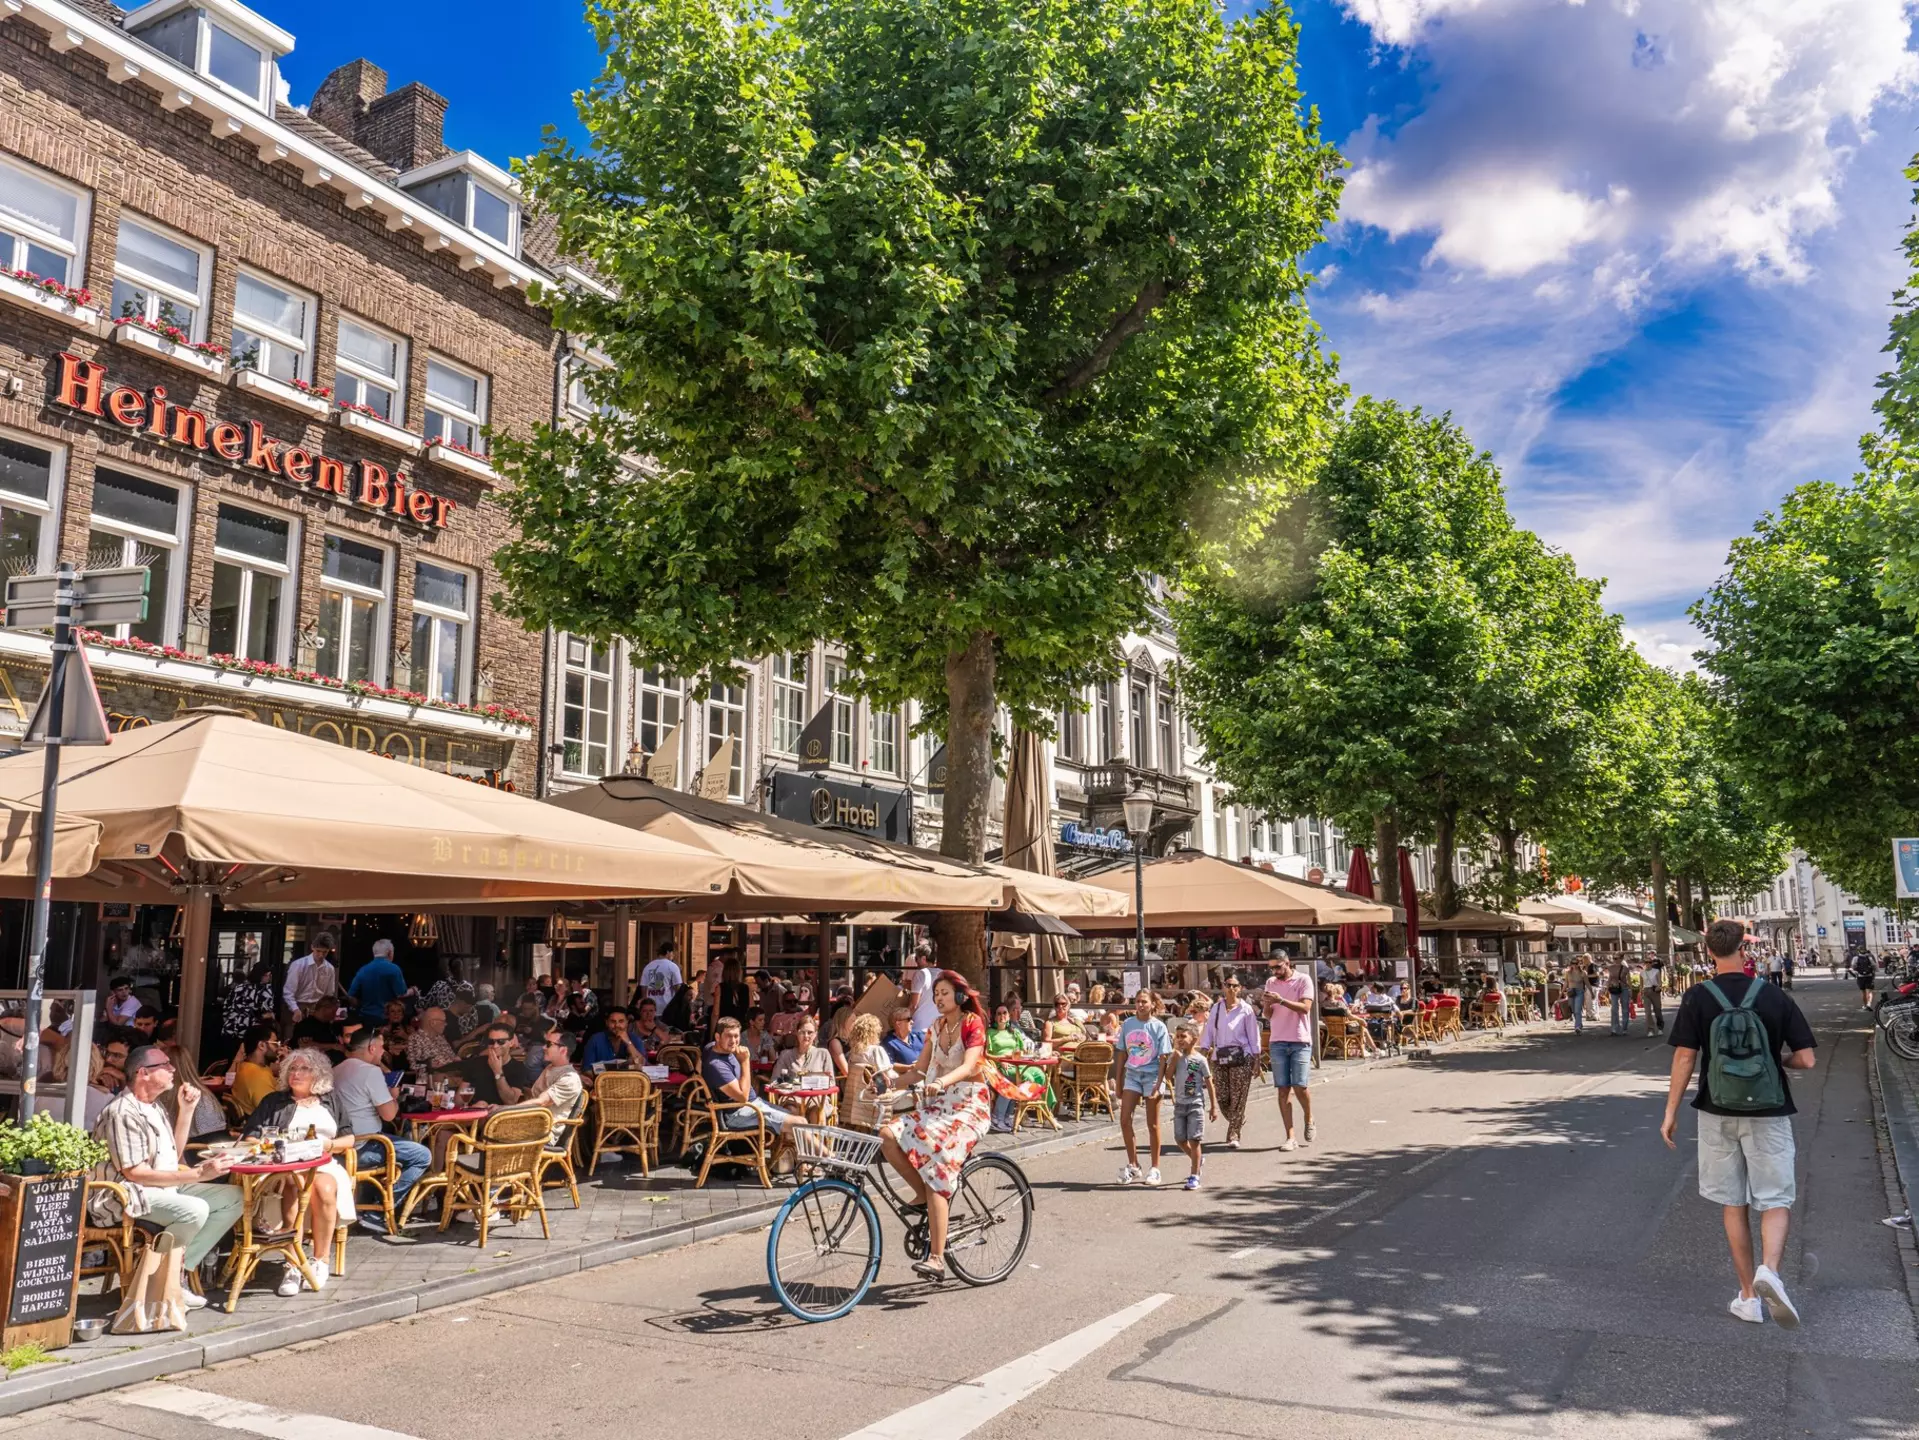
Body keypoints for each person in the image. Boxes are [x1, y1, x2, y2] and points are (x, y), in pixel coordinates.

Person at [1661, 918, 1818, 1329]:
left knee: (1734, 1201)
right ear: (1743, 951)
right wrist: (1774, 1060)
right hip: (1769, 1110)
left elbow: (1684, 1058)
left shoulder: (1697, 997)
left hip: (1717, 1110)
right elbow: (1806, 1059)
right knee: (1776, 1198)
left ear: (1708, 952)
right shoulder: (1771, 995)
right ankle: (1771, 1270)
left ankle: (1748, 1295)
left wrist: (1671, 1111)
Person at [89, 1046, 240, 1306]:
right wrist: (197, 1174)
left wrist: (187, 1110)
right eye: (165, 1065)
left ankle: (174, 1273)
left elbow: (173, 1156)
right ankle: (164, 1280)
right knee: (194, 1209)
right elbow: (135, 1173)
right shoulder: (122, 1112)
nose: (172, 1069)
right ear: (143, 1073)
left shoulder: (154, 1107)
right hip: (124, 1195)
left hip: (156, 1189)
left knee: (235, 1198)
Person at [878, 971, 992, 1281]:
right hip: (940, 1104)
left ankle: (937, 1258)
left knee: (937, 1165)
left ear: (958, 995)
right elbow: (917, 1071)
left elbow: (970, 1065)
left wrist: (941, 1080)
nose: (938, 998)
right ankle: (923, 1196)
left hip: (969, 1105)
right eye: (936, 993)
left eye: (944, 993)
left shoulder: (972, 1023)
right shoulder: (935, 1028)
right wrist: (889, 1083)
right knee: (888, 1134)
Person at [241, 1048, 359, 1294]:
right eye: (292, 1068)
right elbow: (250, 1137)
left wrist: (330, 1145)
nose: (296, 1073)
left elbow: (349, 1138)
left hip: (322, 1161)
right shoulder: (274, 1102)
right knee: (294, 1185)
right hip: (284, 1165)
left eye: (304, 1069)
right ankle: (293, 1263)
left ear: (318, 1074)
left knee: (325, 1188)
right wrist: (270, 1146)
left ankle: (320, 1260)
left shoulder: (331, 1100)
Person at [334, 1029, 430, 1241]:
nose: (383, 1051)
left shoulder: (336, 1069)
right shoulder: (370, 1072)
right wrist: (393, 1096)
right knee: (422, 1155)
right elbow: (389, 1115)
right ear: (371, 1048)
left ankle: (363, 1210)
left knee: (389, 1147)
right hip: (363, 1146)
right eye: (381, 1047)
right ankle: (377, 1211)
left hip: (341, 1148)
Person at [702, 1016, 792, 1138]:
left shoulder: (710, 1047)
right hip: (739, 1113)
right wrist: (745, 1061)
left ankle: (791, 1156)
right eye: (729, 1036)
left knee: (795, 1118)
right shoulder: (717, 1065)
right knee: (798, 1123)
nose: (733, 1041)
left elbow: (698, 1063)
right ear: (717, 1037)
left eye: (736, 1036)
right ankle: (822, 1157)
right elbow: (743, 1098)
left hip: (752, 1106)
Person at [1116, 989, 1171, 1186]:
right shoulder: (1128, 1024)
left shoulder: (1158, 1027)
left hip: (1152, 1075)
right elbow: (1122, 1053)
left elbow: (1164, 1057)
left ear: (1152, 1005)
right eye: (1138, 1001)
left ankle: (1155, 1168)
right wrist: (1118, 1080)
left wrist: (1159, 1082)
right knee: (1124, 1119)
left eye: (1144, 1002)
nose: (1141, 1005)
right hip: (1132, 1074)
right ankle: (1133, 1164)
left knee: (1152, 1123)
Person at [1199, 974, 1259, 1148]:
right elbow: (1209, 1031)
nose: (1231, 989)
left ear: (1240, 988)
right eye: (1228, 985)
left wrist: (1256, 1059)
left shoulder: (1246, 1010)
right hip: (1221, 1055)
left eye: (1235, 986)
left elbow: (1253, 1036)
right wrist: (1203, 1050)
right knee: (1222, 1096)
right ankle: (1237, 1117)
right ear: (1224, 987)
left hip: (1242, 1055)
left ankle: (1233, 1133)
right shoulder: (1216, 1008)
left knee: (1238, 1095)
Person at [1264, 955, 1315, 1151]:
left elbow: (1305, 1008)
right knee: (1283, 1088)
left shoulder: (1303, 980)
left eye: (1278, 967)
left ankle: (1309, 1117)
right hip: (1277, 1039)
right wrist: (1267, 1004)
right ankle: (1290, 1136)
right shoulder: (1271, 982)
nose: (1275, 971)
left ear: (1287, 962)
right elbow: (1268, 1014)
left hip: (1299, 1040)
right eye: (1272, 968)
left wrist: (1282, 1000)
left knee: (1300, 1086)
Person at [1168, 1022, 1216, 1191]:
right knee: (1179, 1139)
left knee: (1194, 1140)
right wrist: (1173, 1060)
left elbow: (1209, 1083)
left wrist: (1213, 1106)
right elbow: (1168, 1076)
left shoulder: (1199, 1060)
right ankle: (1197, 1159)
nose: (1180, 1039)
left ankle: (1194, 1175)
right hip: (1180, 1105)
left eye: (1183, 1036)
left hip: (1195, 1104)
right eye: (1177, 1036)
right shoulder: (1176, 1057)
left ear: (1194, 1039)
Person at [521, 1028, 585, 1148]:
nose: (544, 1047)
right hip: (531, 1124)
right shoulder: (551, 1067)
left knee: (497, 1127)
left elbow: (541, 1102)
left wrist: (505, 1109)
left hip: (543, 1134)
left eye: (549, 1044)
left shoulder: (569, 1079)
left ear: (563, 1050)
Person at [459, 1024, 535, 1106]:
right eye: (491, 1042)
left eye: (501, 1042)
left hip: (500, 1116)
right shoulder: (476, 1063)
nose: (495, 1046)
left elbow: (511, 1101)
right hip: (475, 1112)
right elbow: (459, 1101)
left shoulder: (518, 1068)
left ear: (511, 1043)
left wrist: (498, 1072)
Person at [283, 932, 340, 1026]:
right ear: (312, 947)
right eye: (318, 951)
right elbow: (288, 992)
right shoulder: (298, 965)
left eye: (324, 952)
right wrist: (295, 1009)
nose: (321, 955)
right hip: (298, 1006)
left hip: (318, 1008)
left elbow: (329, 993)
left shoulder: (329, 968)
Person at [226, 1023, 282, 1119]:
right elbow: (271, 1113)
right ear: (261, 1045)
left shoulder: (246, 1066)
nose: (279, 1048)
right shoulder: (256, 1075)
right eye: (276, 1044)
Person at [346, 940, 408, 1025]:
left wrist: (360, 1006)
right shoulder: (394, 969)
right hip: (387, 1019)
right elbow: (401, 994)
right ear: (390, 953)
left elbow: (350, 996)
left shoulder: (363, 970)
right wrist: (412, 991)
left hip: (366, 1018)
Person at [218, 961, 277, 1049]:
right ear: (260, 975)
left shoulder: (239, 987)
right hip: (251, 1032)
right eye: (267, 975)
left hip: (231, 1029)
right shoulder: (264, 990)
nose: (269, 978)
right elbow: (264, 1013)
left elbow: (227, 1007)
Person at [771, 1015, 834, 1086]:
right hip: (792, 1096)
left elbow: (831, 1082)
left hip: (816, 1096)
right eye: (802, 1032)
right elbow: (775, 1080)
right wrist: (799, 1082)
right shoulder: (785, 1055)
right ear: (797, 1033)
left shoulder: (823, 1054)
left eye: (810, 1032)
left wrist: (801, 1082)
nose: (806, 1036)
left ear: (815, 1034)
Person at [637, 939, 685, 1028]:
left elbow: (643, 988)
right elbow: (678, 988)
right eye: (673, 953)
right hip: (667, 1008)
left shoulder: (648, 966)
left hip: (650, 1010)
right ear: (668, 952)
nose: (673, 956)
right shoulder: (672, 966)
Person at [583, 1007, 648, 1069]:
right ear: (607, 1023)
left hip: (628, 1079)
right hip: (603, 1079)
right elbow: (586, 1069)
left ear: (627, 1023)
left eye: (621, 1021)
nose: (617, 1025)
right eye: (613, 1021)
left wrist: (628, 1042)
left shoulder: (635, 1039)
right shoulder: (595, 1040)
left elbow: (642, 1065)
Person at [406, 1006, 459, 1073]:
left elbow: (452, 1056)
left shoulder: (440, 1037)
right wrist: (430, 1065)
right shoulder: (415, 1039)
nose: (445, 1024)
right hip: (434, 1077)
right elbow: (413, 1066)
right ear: (432, 1023)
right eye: (443, 1021)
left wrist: (457, 1060)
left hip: (452, 1072)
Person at [903, 945, 940, 1034]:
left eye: (916, 959)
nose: (916, 962)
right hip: (938, 1027)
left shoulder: (920, 974)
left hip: (920, 1027)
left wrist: (903, 1020)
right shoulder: (942, 973)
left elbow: (913, 1005)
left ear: (923, 959)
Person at [1560, 956, 1589, 1033]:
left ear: (1579, 964)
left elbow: (1587, 984)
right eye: (1572, 963)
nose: (1574, 965)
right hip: (1571, 992)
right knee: (1573, 1009)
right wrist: (1562, 992)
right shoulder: (1568, 973)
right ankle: (1579, 1023)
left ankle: (1577, 1026)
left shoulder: (1583, 973)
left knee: (1577, 1010)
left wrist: (1592, 993)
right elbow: (1566, 983)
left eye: (1576, 963)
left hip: (1579, 992)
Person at [1642, 954, 1667, 1036]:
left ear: (1652, 963)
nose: (1648, 964)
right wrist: (1640, 993)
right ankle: (1650, 1029)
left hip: (1654, 991)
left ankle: (1660, 1027)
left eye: (1649, 962)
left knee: (1657, 1010)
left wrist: (1659, 987)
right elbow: (1641, 985)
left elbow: (1659, 982)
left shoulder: (1656, 971)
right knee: (1648, 1012)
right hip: (1646, 991)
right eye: (1646, 962)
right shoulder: (1642, 973)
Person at [1607, 956, 1632, 1036]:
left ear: (1621, 959)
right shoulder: (1610, 968)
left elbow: (1629, 979)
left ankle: (1624, 1027)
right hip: (1614, 989)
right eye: (1614, 958)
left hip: (1624, 989)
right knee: (1614, 1008)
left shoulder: (1625, 968)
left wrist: (1630, 990)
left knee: (1625, 1008)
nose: (1615, 960)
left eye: (1617, 958)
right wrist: (1607, 987)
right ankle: (1614, 1028)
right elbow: (1610, 978)